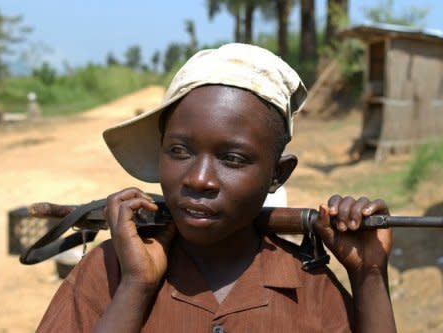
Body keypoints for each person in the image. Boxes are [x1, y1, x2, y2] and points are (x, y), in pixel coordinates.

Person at [36, 43, 396, 332]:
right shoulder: (109, 271)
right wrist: (135, 288)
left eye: (232, 159)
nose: (199, 179)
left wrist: (369, 276)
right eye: (179, 151)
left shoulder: (309, 287)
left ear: (278, 174)